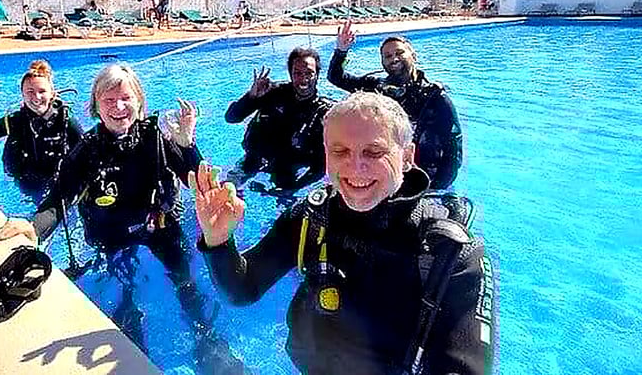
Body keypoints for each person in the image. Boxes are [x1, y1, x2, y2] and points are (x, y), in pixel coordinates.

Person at [192, 92, 495, 375]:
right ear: (326, 155)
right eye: (340, 151)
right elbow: (242, 290)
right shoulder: (310, 216)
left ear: (407, 156)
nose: (355, 166)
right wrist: (218, 241)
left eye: (374, 151)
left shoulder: (451, 252)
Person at [0, 64, 246, 371]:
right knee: (123, 295)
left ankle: (208, 340)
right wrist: (32, 227)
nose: (119, 107)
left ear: (139, 101)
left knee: (185, 281)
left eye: (125, 98)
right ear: (96, 106)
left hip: (158, 227)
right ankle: (133, 351)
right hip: (111, 237)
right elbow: (58, 200)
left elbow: (199, 182)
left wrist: (187, 145)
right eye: (108, 101)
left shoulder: (157, 136)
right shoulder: (86, 150)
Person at [327, 20, 463, 189]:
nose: (394, 58)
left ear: (413, 56)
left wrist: (436, 188)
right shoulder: (375, 88)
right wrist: (341, 50)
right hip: (384, 173)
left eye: (399, 52)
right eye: (388, 56)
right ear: (383, 62)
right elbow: (335, 77)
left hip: (423, 178)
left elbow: (453, 152)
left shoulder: (435, 98)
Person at [0, 60, 83, 195]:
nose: (36, 97)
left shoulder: (66, 121)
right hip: (25, 182)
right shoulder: (14, 120)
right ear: (22, 95)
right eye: (30, 91)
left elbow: (87, 155)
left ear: (52, 93)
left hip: (57, 183)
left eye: (42, 91)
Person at [225, 47, 333, 194]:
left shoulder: (323, 113)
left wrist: (293, 189)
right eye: (297, 73)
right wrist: (251, 97)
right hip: (254, 158)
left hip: (288, 169)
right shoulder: (272, 92)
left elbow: (321, 166)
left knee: (289, 208)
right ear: (290, 74)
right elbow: (231, 118)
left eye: (309, 73)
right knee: (226, 191)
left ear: (317, 75)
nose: (303, 79)